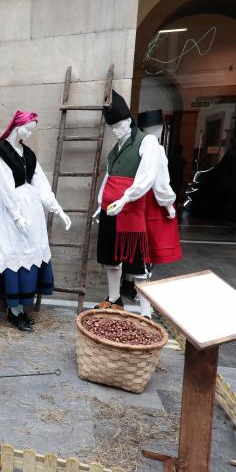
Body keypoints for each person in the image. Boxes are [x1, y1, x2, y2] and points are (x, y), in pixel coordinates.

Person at [0, 111, 72, 331]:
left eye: (31, 130)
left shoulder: (28, 153)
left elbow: (41, 183)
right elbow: (6, 186)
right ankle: (14, 310)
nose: (29, 134)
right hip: (10, 212)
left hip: (32, 211)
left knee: (31, 252)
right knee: (12, 252)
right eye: (27, 129)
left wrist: (57, 210)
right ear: (17, 126)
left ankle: (20, 308)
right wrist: (17, 215)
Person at [93, 92, 171, 318]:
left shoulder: (147, 143)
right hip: (110, 209)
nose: (115, 131)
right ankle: (114, 299)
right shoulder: (114, 151)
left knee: (138, 264)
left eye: (118, 125)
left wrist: (126, 198)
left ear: (128, 121)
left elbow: (147, 178)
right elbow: (108, 178)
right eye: (112, 127)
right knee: (110, 260)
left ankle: (145, 313)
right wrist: (101, 203)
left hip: (132, 211)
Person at [118, 110, 183, 306]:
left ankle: (128, 284)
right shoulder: (155, 147)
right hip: (151, 200)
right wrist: (168, 203)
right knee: (147, 246)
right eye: (158, 127)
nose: (160, 130)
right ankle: (138, 290)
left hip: (136, 199)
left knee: (135, 244)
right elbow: (160, 179)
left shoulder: (133, 144)